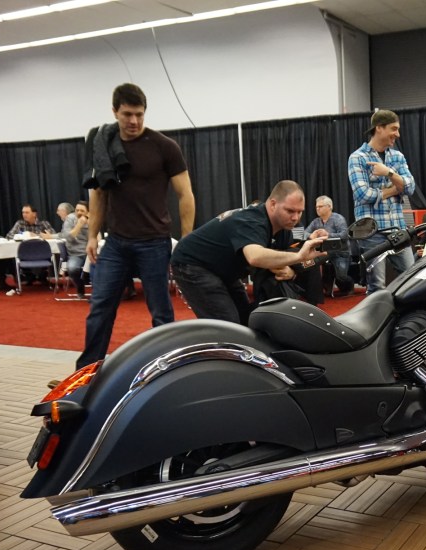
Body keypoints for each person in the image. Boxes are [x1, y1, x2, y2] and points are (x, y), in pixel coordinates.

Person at [76, 83, 196, 371]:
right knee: (99, 310)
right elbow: (99, 193)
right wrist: (92, 236)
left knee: (161, 314)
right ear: (114, 111)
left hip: (154, 242)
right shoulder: (102, 144)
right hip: (115, 243)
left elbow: (185, 195)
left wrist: (187, 240)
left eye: (139, 114)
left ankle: (169, 369)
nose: (133, 121)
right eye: (127, 114)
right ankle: (85, 374)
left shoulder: (164, 147)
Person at [171, 180, 326, 323]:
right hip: (191, 264)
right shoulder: (253, 220)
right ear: (272, 204)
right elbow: (255, 257)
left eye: (300, 212)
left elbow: (276, 259)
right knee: (228, 324)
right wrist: (298, 256)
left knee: (246, 319)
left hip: (223, 269)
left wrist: (292, 269)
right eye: (290, 211)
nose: (295, 218)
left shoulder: (283, 229)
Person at [349, 109, 416, 294]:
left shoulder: (397, 157)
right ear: (379, 128)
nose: (398, 134)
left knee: (412, 279)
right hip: (371, 231)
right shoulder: (357, 158)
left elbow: (410, 187)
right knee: (376, 286)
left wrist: (388, 172)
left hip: (397, 228)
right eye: (394, 129)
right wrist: (395, 188)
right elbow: (363, 194)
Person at [306, 195, 353, 297]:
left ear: (329, 207)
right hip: (325, 252)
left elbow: (344, 235)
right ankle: (320, 288)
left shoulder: (338, 219)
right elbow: (305, 233)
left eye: (320, 206)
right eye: (317, 207)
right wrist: (311, 235)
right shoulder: (316, 222)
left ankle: (350, 286)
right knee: (312, 263)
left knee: (341, 277)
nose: (317, 209)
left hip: (341, 252)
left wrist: (328, 235)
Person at [55, 201, 89, 299]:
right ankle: (80, 288)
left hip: (90, 253)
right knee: (72, 268)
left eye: (82, 211)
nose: (79, 212)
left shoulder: (91, 219)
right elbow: (69, 237)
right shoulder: (70, 219)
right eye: (77, 210)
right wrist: (79, 225)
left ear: (87, 212)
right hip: (75, 254)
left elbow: (97, 236)